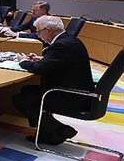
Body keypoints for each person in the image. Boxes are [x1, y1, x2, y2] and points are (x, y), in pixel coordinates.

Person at [12, 16, 93, 145]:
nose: (38, 36)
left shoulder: (61, 45)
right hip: (79, 90)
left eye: (39, 32)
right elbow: (61, 62)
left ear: (48, 30)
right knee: (26, 89)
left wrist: (23, 61)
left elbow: (38, 69)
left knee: (20, 99)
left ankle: (59, 130)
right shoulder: (68, 40)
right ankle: (46, 130)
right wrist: (43, 59)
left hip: (73, 96)